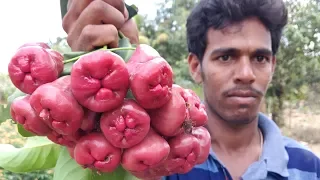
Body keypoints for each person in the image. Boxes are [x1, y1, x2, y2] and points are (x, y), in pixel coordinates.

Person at [60, 0, 320, 179]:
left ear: (273, 66)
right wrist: (94, 71)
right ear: (195, 66)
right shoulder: (157, 165)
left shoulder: (309, 168)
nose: (246, 74)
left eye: (260, 58)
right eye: (226, 57)